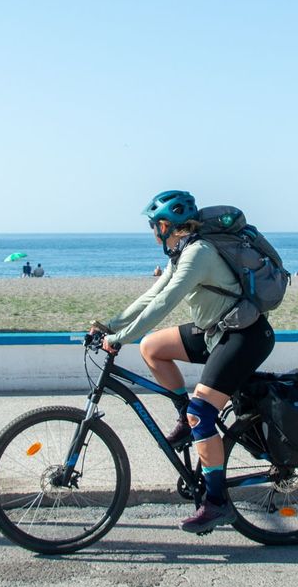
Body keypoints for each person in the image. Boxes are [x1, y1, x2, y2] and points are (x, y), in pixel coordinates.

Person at [88, 189, 277, 534]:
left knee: (202, 411)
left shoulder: (198, 254)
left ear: (166, 225)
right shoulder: (182, 252)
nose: (152, 233)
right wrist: (110, 325)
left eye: (153, 226)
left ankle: (218, 502)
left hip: (243, 338)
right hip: (215, 331)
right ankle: (187, 422)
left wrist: (117, 340)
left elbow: (166, 304)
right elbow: (152, 295)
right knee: (152, 347)